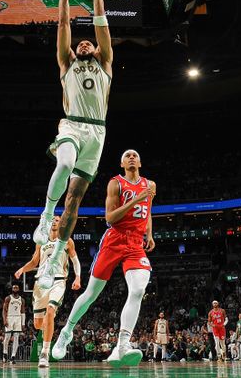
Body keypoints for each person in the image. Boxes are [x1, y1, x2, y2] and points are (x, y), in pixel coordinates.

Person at [32, 0, 113, 292]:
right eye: (79, 43)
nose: (84, 44)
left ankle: (52, 263)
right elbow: (64, 21)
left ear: (96, 50)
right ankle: (44, 216)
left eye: (88, 44)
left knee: (75, 201)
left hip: (97, 133)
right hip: (72, 126)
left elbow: (101, 23)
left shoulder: (105, 63)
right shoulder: (66, 63)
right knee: (64, 163)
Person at [52, 149, 156, 368]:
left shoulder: (150, 185)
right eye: (127, 155)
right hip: (114, 239)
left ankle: (123, 344)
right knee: (91, 294)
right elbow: (110, 217)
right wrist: (136, 198)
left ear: (140, 161)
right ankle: (67, 330)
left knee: (138, 290)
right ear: (121, 163)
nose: (131, 157)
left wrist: (149, 233)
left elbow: (147, 210)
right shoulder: (115, 184)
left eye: (135, 155)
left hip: (136, 244)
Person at [14, 216, 82, 368]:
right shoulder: (41, 241)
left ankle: (44, 353)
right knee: (38, 324)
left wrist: (77, 277)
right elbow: (34, 262)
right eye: (51, 220)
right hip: (40, 283)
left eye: (57, 220)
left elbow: (75, 261)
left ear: (61, 223)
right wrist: (22, 269)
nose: (54, 222)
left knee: (50, 311)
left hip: (58, 280)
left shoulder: (67, 241)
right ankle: (48, 330)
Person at [2, 284, 25, 364]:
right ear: (12, 289)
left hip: (18, 318)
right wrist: (5, 320)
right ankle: (5, 353)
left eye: (16, 287)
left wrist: (23, 323)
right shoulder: (8, 298)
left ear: (19, 289)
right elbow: (4, 310)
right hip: (9, 317)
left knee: (16, 337)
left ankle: (13, 357)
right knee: (7, 336)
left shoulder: (22, 300)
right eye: (14, 287)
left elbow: (23, 312)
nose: (15, 288)